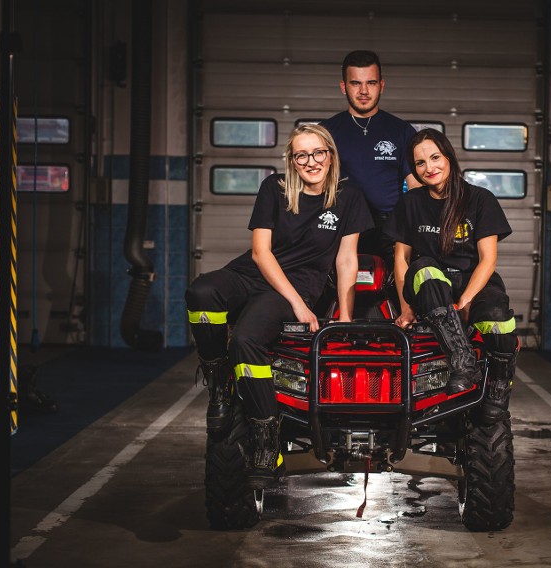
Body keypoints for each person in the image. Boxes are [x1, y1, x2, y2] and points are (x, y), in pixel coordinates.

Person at [185, 124, 373, 486]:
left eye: (318, 152)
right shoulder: (275, 188)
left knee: (246, 340)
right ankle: (219, 381)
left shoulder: (349, 197)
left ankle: (267, 442)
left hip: (300, 285)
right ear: (292, 160)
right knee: (201, 293)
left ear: (330, 155)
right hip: (256, 274)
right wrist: (296, 305)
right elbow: (260, 253)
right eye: (301, 155)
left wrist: (343, 316)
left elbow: (346, 260)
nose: (311, 161)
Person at [385, 129, 519, 423]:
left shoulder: (480, 199)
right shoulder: (411, 203)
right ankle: (462, 359)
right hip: (432, 286)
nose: (429, 168)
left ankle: (498, 384)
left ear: (449, 157)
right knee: (424, 267)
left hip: (475, 282)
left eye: (435, 158)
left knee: (499, 321)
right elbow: (401, 259)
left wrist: (466, 301)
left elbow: (488, 260)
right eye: (420, 163)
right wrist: (406, 309)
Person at [320, 50, 419, 261]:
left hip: (390, 228)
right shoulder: (325, 132)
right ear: (343, 86)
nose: (364, 91)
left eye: (371, 83)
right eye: (355, 83)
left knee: (402, 286)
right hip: (340, 225)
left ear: (381, 86)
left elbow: (416, 187)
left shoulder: (401, 131)